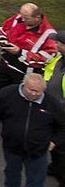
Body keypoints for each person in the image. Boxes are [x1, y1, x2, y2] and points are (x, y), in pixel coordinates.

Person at [0, 4, 58, 124]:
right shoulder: (18, 19)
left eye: (26, 18)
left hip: (23, 74)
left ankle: (10, 123)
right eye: (22, 16)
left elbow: (45, 58)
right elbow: (3, 30)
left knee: (17, 100)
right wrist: (2, 41)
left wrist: (19, 52)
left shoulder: (49, 35)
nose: (22, 20)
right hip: (5, 64)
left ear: (37, 17)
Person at [0, 73, 65, 187]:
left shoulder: (52, 104)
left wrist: (54, 141)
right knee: (12, 177)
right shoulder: (7, 94)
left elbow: (62, 126)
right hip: (12, 148)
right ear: (23, 84)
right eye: (31, 89)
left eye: (38, 91)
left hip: (38, 151)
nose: (33, 93)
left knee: (36, 181)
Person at [44, 32, 65, 182]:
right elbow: (48, 75)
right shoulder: (59, 58)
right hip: (53, 107)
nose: (56, 45)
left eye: (60, 43)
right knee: (54, 146)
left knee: (62, 148)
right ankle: (55, 167)